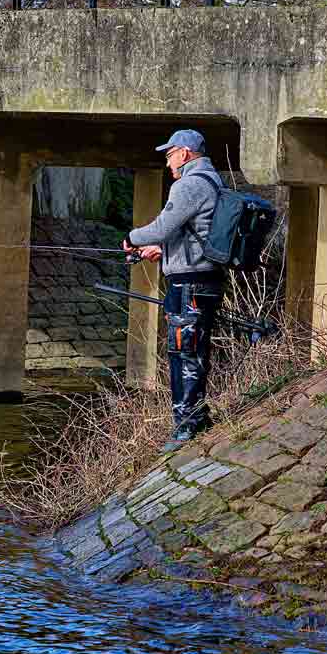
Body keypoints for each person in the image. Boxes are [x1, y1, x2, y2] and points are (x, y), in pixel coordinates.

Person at [122, 128, 226, 449]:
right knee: (194, 349)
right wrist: (161, 251)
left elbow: (164, 226)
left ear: (184, 153)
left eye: (169, 155)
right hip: (204, 278)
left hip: (189, 284)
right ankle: (197, 416)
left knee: (183, 352)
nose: (168, 163)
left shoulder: (189, 185)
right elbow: (194, 232)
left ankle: (186, 427)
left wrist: (133, 237)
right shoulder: (212, 180)